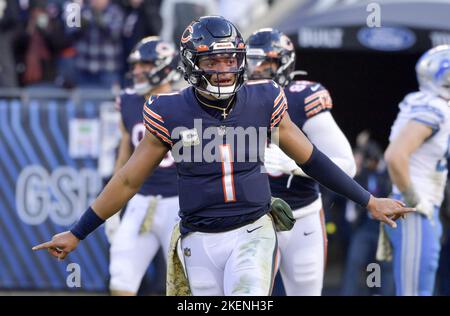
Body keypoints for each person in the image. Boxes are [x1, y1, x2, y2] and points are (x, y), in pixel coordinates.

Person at [33, 16, 413, 296]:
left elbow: (313, 159)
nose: (223, 70)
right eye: (212, 62)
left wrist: (368, 200)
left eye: (230, 60)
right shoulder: (169, 110)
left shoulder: (264, 99)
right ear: (190, 63)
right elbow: (129, 179)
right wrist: (78, 231)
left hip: (252, 230)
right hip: (197, 236)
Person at [246, 28, 356, 295]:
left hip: (301, 215)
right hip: (249, 217)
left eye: (266, 61)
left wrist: (295, 165)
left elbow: (347, 164)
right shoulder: (235, 97)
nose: (256, 68)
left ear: (283, 62)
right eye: (252, 60)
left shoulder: (301, 97)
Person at [105, 36, 180, 296]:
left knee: (188, 283)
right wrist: (114, 207)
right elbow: (123, 155)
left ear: (165, 66)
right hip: (141, 199)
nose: (137, 71)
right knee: (121, 273)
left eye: (144, 65)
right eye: (135, 65)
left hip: (181, 202)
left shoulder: (186, 101)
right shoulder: (127, 100)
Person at [383, 45, 450, 296]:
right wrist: (415, 200)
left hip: (424, 206)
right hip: (415, 208)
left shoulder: (427, 103)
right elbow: (395, 156)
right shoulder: (435, 109)